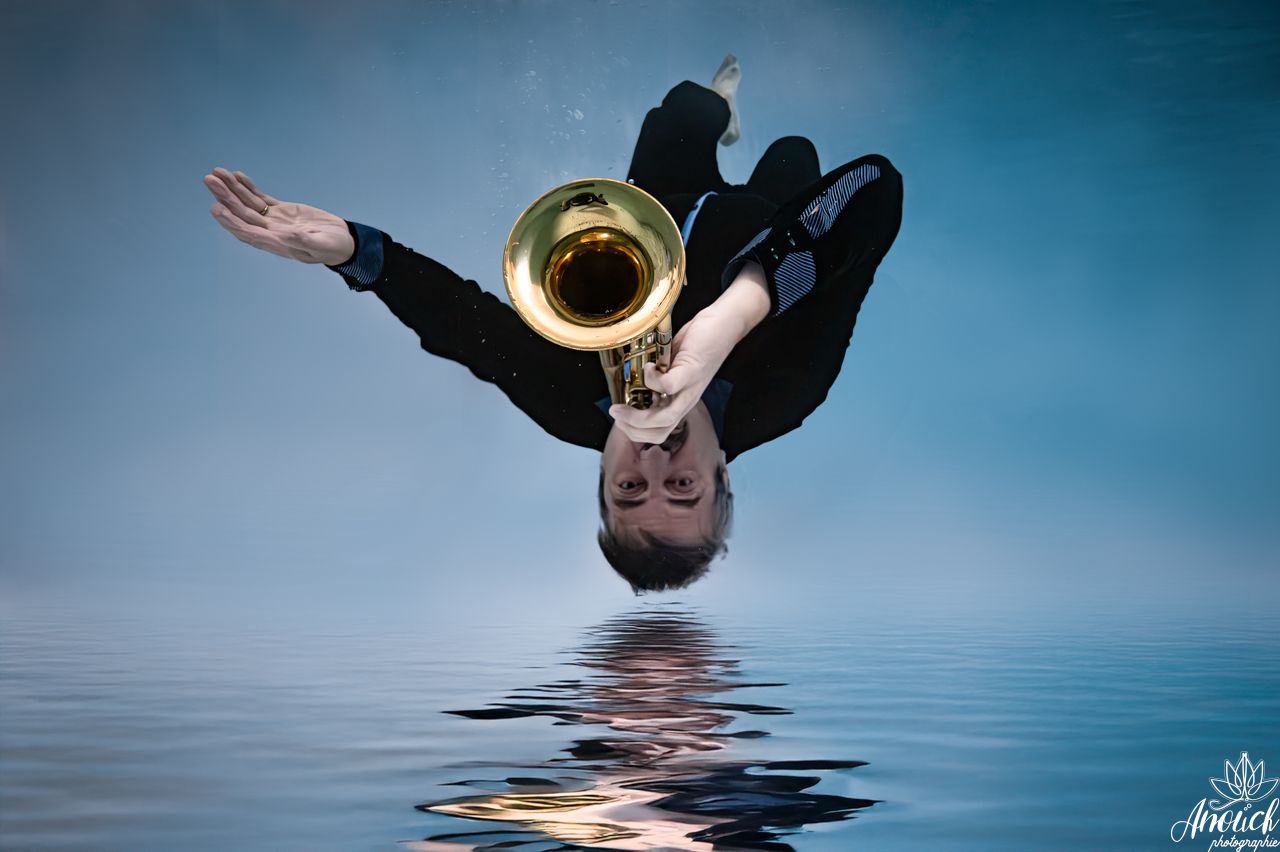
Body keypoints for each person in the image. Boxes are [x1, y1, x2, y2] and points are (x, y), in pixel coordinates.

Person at [203, 56, 904, 593]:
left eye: (628, 490)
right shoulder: (791, 394)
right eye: (683, 489)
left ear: (600, 481)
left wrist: (360, 252)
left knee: (680, 110)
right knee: (795, 153)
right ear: (724, 476)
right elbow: (873, 189)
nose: (654, 464)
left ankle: (710, 111)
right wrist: (731, 319)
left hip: (653, 207)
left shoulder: (567, 410)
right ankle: (728, 115)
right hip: (768, 218)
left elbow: (465, 328)